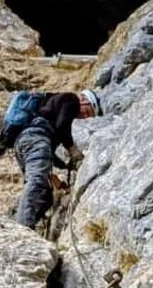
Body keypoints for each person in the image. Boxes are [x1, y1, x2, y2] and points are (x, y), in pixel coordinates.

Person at [13, 89, 102, 228]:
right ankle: (21, 228)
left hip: (25, 142)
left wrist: (65, 165)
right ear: (84, 100)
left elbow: (48, 155)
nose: (84, 117)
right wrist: (73, 150)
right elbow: (62, 128)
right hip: (36, 138)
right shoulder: (72, 99)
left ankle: (24, 224)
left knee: (45, 196)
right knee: (36, 183)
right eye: (87, 112)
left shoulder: (53, 107)